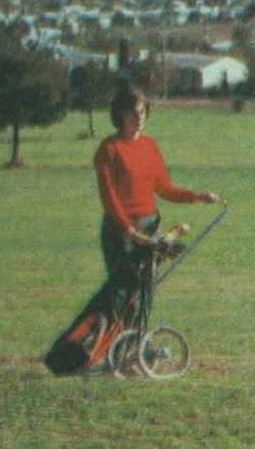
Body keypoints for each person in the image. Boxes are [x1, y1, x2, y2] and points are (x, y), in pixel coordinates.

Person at [87, 84, 219, 324]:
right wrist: (129, 230)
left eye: (142, 112)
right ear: (121, 115)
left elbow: (165, 188)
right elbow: (109, 197)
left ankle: (136, 353)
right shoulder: (109, 149)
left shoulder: (150, 146)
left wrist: (198, 196)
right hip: (121, 231)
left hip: (150, 226)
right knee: (124, 294)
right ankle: (114, 349)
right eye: (133, 113)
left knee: (146, 292)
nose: (139, 118)